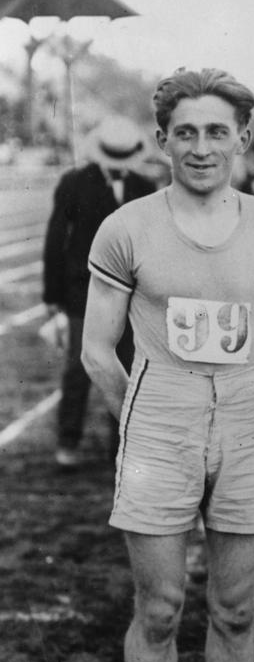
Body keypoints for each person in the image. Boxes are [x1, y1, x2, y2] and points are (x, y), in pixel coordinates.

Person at [81, 68, 254, 662]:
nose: (201, 147)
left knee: (236, 607)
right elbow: (95, 348)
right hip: (158, 421)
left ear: (241, 138)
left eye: (216, 132)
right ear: (162, 140)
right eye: (186, 132)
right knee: (161, 605)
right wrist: (142, 417)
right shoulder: (128, 227)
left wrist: (239, 403)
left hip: (244, 415)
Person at [42, 116, 155, 468]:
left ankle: (121, 444)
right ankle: (68, 441)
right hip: (84, 292)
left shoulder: (145, 186)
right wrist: (52, 296)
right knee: (80, 367)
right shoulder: (75, 183)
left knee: (127, 367)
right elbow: (55, 239)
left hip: (133, 294)